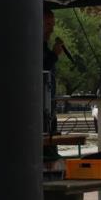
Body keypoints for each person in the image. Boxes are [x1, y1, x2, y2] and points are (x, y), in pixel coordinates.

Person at [43, 9, 65, 141]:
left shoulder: (45, 48)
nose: (51, 30)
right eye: (48, 25)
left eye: (53, 25)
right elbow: (40, 70)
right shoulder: (33, 47)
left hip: (50, 105)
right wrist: (54, 55)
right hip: (40, 108)